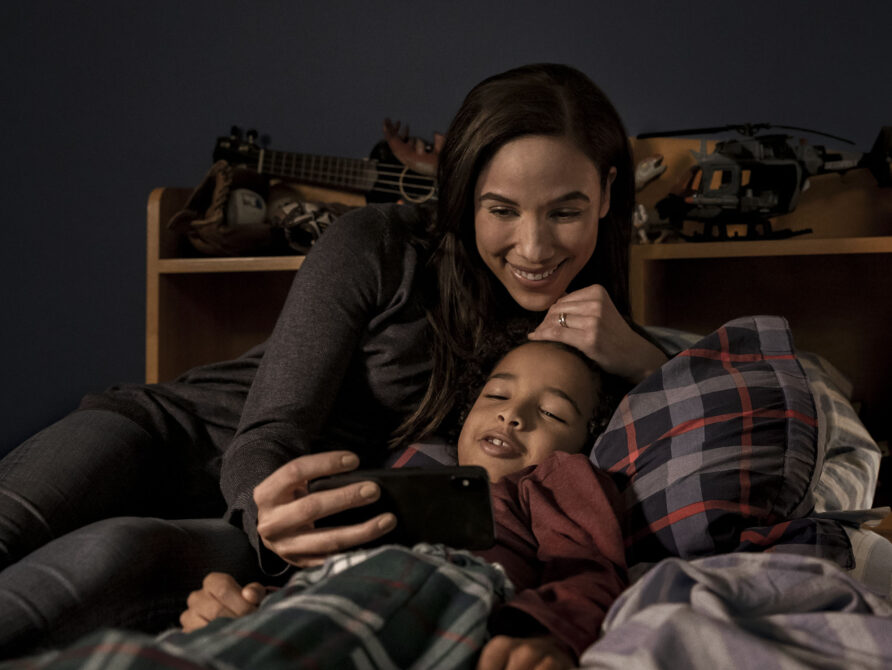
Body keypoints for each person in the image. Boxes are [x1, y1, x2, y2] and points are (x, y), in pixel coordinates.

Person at [0, 63, 667, 655]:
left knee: (114, 556)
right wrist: (266, 524)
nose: (533, 246)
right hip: (181, 443)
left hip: (290, 527)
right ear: (465, 195)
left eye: (566, 212)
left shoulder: (591, 343)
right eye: (501, 209)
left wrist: (641, 358)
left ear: (607, 194)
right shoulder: (377, 246)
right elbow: (272, 429)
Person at [4, 340, 626, 670]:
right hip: (328, 591)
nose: (513, 415)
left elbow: (588, 567)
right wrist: (250, 606)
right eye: (497, 394)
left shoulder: (556, 478)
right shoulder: (402, 469)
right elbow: (321, 571)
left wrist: (545, 635)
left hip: (445, 584)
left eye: (550, 413)